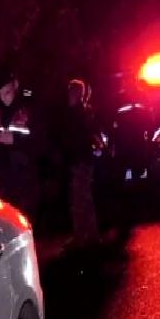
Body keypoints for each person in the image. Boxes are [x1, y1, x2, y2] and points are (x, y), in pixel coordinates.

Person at [0, 68, 40, 216]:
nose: (4, 98)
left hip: (24, 180)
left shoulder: (28, 108)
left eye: (7, 92)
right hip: (4, 181)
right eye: (0, 94)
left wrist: (14, 140)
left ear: (15, 85)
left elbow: (39, 141)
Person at [57, 78, 100, 244]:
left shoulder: (79, 113)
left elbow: (77, 138)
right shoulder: (82, 112)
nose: (68, 94)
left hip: (80, 160)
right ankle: (90, 234)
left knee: (79, 198)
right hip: (81, 159)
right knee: (83, 197)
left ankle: (82, 236)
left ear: (76, 93)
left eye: (71, 91)